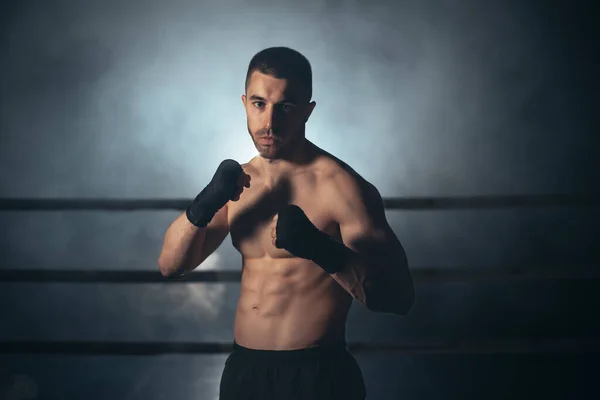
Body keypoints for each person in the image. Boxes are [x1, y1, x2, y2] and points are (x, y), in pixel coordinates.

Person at [158, 46, 415, 400]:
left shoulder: (342, 188)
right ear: (244, 103)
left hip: (318, 374)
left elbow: (398, 297)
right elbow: (171, 266)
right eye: (259, 104)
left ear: (308, 111)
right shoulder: (237, 184)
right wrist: (207, 201)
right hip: (245, 372)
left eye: (286, 107)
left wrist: (319, 248)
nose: (269, 123)